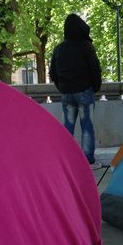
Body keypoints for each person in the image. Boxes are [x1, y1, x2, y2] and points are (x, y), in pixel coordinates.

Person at [49, 14, 103, 170]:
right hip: (84, 91)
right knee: (87, 126)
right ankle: (88, 160)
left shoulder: (59, 48)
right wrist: (94, 86)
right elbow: (95, 69)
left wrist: (62, 86)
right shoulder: (86, 46)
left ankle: (66, 158)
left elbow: (53, 72)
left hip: (66, 92)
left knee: (67, 127)